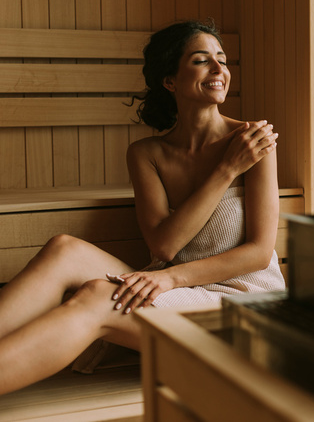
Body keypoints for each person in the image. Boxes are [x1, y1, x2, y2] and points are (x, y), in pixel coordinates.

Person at [0, 20, 282, 395]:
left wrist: (169, 278)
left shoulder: (253, 141)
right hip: (174, 288)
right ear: (170, 81)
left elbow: (259, 254)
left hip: (242, 306)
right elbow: (163, 247)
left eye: (222, 59)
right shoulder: (149, 154)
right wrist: (227, 169)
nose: (219, 70)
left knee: (100, 296)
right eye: (202, 60)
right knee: (64, 249)